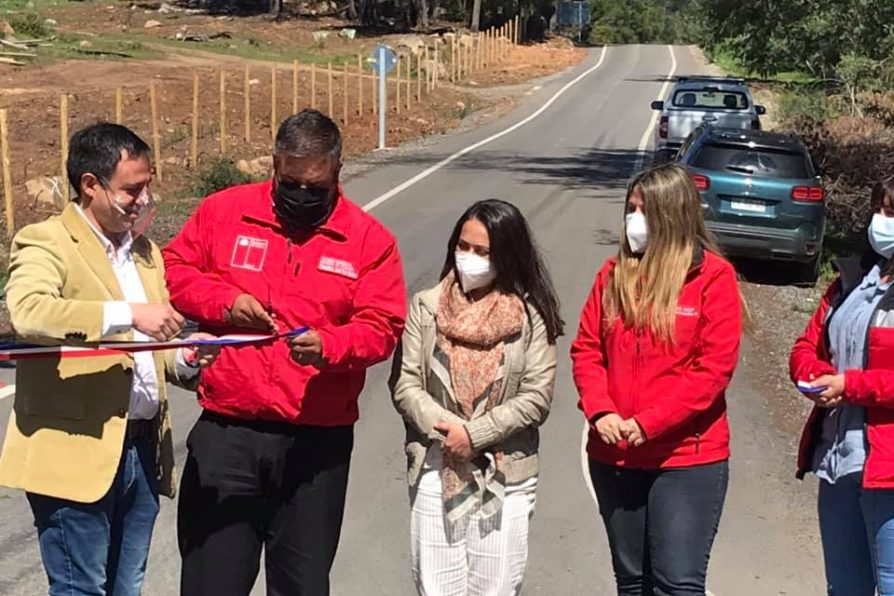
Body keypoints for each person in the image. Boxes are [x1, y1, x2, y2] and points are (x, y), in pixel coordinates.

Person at [163, 109, 407, 596]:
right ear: (274, 164)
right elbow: (173, 270)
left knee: (302, 585)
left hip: (315, 445)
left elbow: (383, 327)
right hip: (228, 432)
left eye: (314, 187)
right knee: (211, 581)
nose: (300, 195)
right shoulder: (223, 212)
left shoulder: (368, 241)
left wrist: (329, 346)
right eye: (290, 181)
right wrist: (227, 304)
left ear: (337, 171)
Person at [0, 122, 218, 596]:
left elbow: (152, 353)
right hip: (74, 452)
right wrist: (129, 313)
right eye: (131, 189)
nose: (142, 200)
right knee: (82, 588)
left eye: (147, 187)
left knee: (127, 585)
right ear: (90, 185)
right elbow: (29, 311)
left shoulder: (145, 254)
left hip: (141, 449)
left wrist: (185, 357)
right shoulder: (45, 240)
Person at [571, 163, 743, 595]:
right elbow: (586, 351)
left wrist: (650, 422)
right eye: (630, 209)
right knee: (632, 584)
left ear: (671, 216)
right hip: (616, 456)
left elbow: (712, 371)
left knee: (675, 584)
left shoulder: (713, 279)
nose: (634, 220)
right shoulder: (612, 275)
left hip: (686, 459)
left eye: (644, 211)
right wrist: (600, 409)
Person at [390, 199, 562, 596]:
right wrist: (450, 433)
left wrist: (476, 434)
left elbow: (536, 397)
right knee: (435, 588)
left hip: (506, 474)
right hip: (436, 465)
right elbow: (406, 384)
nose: (469, 257)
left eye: (482, 251)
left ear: (506, 255)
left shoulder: (531, 317)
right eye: (463, 246)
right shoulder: (426, 307)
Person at [790, 176, 894, 595]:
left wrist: (850, 386)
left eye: (890, 212)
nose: (881, 220)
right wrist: (812, 373)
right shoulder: (854, 279)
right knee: (845, 588)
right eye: (881, 209)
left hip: (888, 471)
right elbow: (806, 343)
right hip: (838, 461)